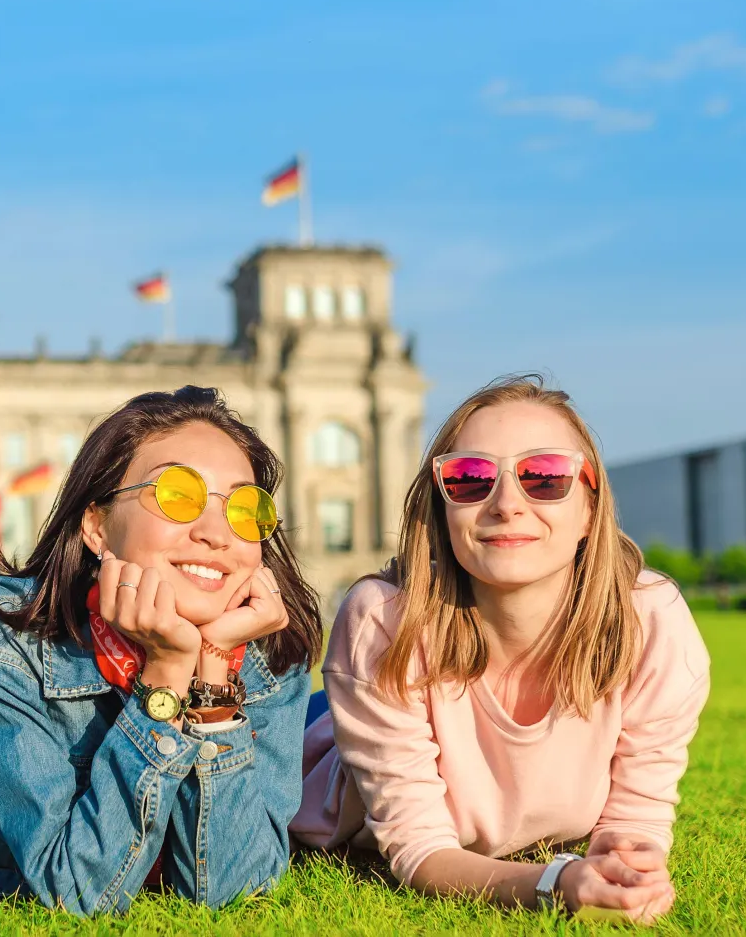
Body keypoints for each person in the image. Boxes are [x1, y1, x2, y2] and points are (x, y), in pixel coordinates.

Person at [0, 386, 322, 914]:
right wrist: (166, 672)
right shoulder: (1, 630)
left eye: (245, 508)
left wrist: (213, 678)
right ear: (98, 527)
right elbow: (80, 889)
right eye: (178, 496)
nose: (217, 533)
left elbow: (231, 888)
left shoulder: (273, 652)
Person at [292, 375, 709, 925]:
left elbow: (635, 821)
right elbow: (418, 847)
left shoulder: (651, 620)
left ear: (590, 508)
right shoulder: (384, 621)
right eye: (469, 479)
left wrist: (627, 867)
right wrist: (556, 883)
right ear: (442, 509)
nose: (507, 504)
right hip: (331, 730)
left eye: (545, 476)